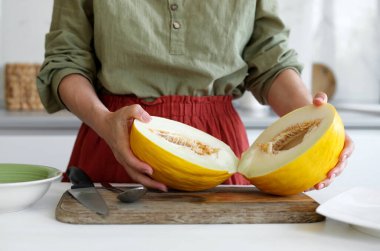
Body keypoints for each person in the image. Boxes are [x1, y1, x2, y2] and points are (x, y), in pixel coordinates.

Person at [37, 0, 354, 192]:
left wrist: (317, 125)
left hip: (220, 147)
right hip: (116, 137)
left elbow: (269, 56)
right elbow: (66, 59)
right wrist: (105, 121)